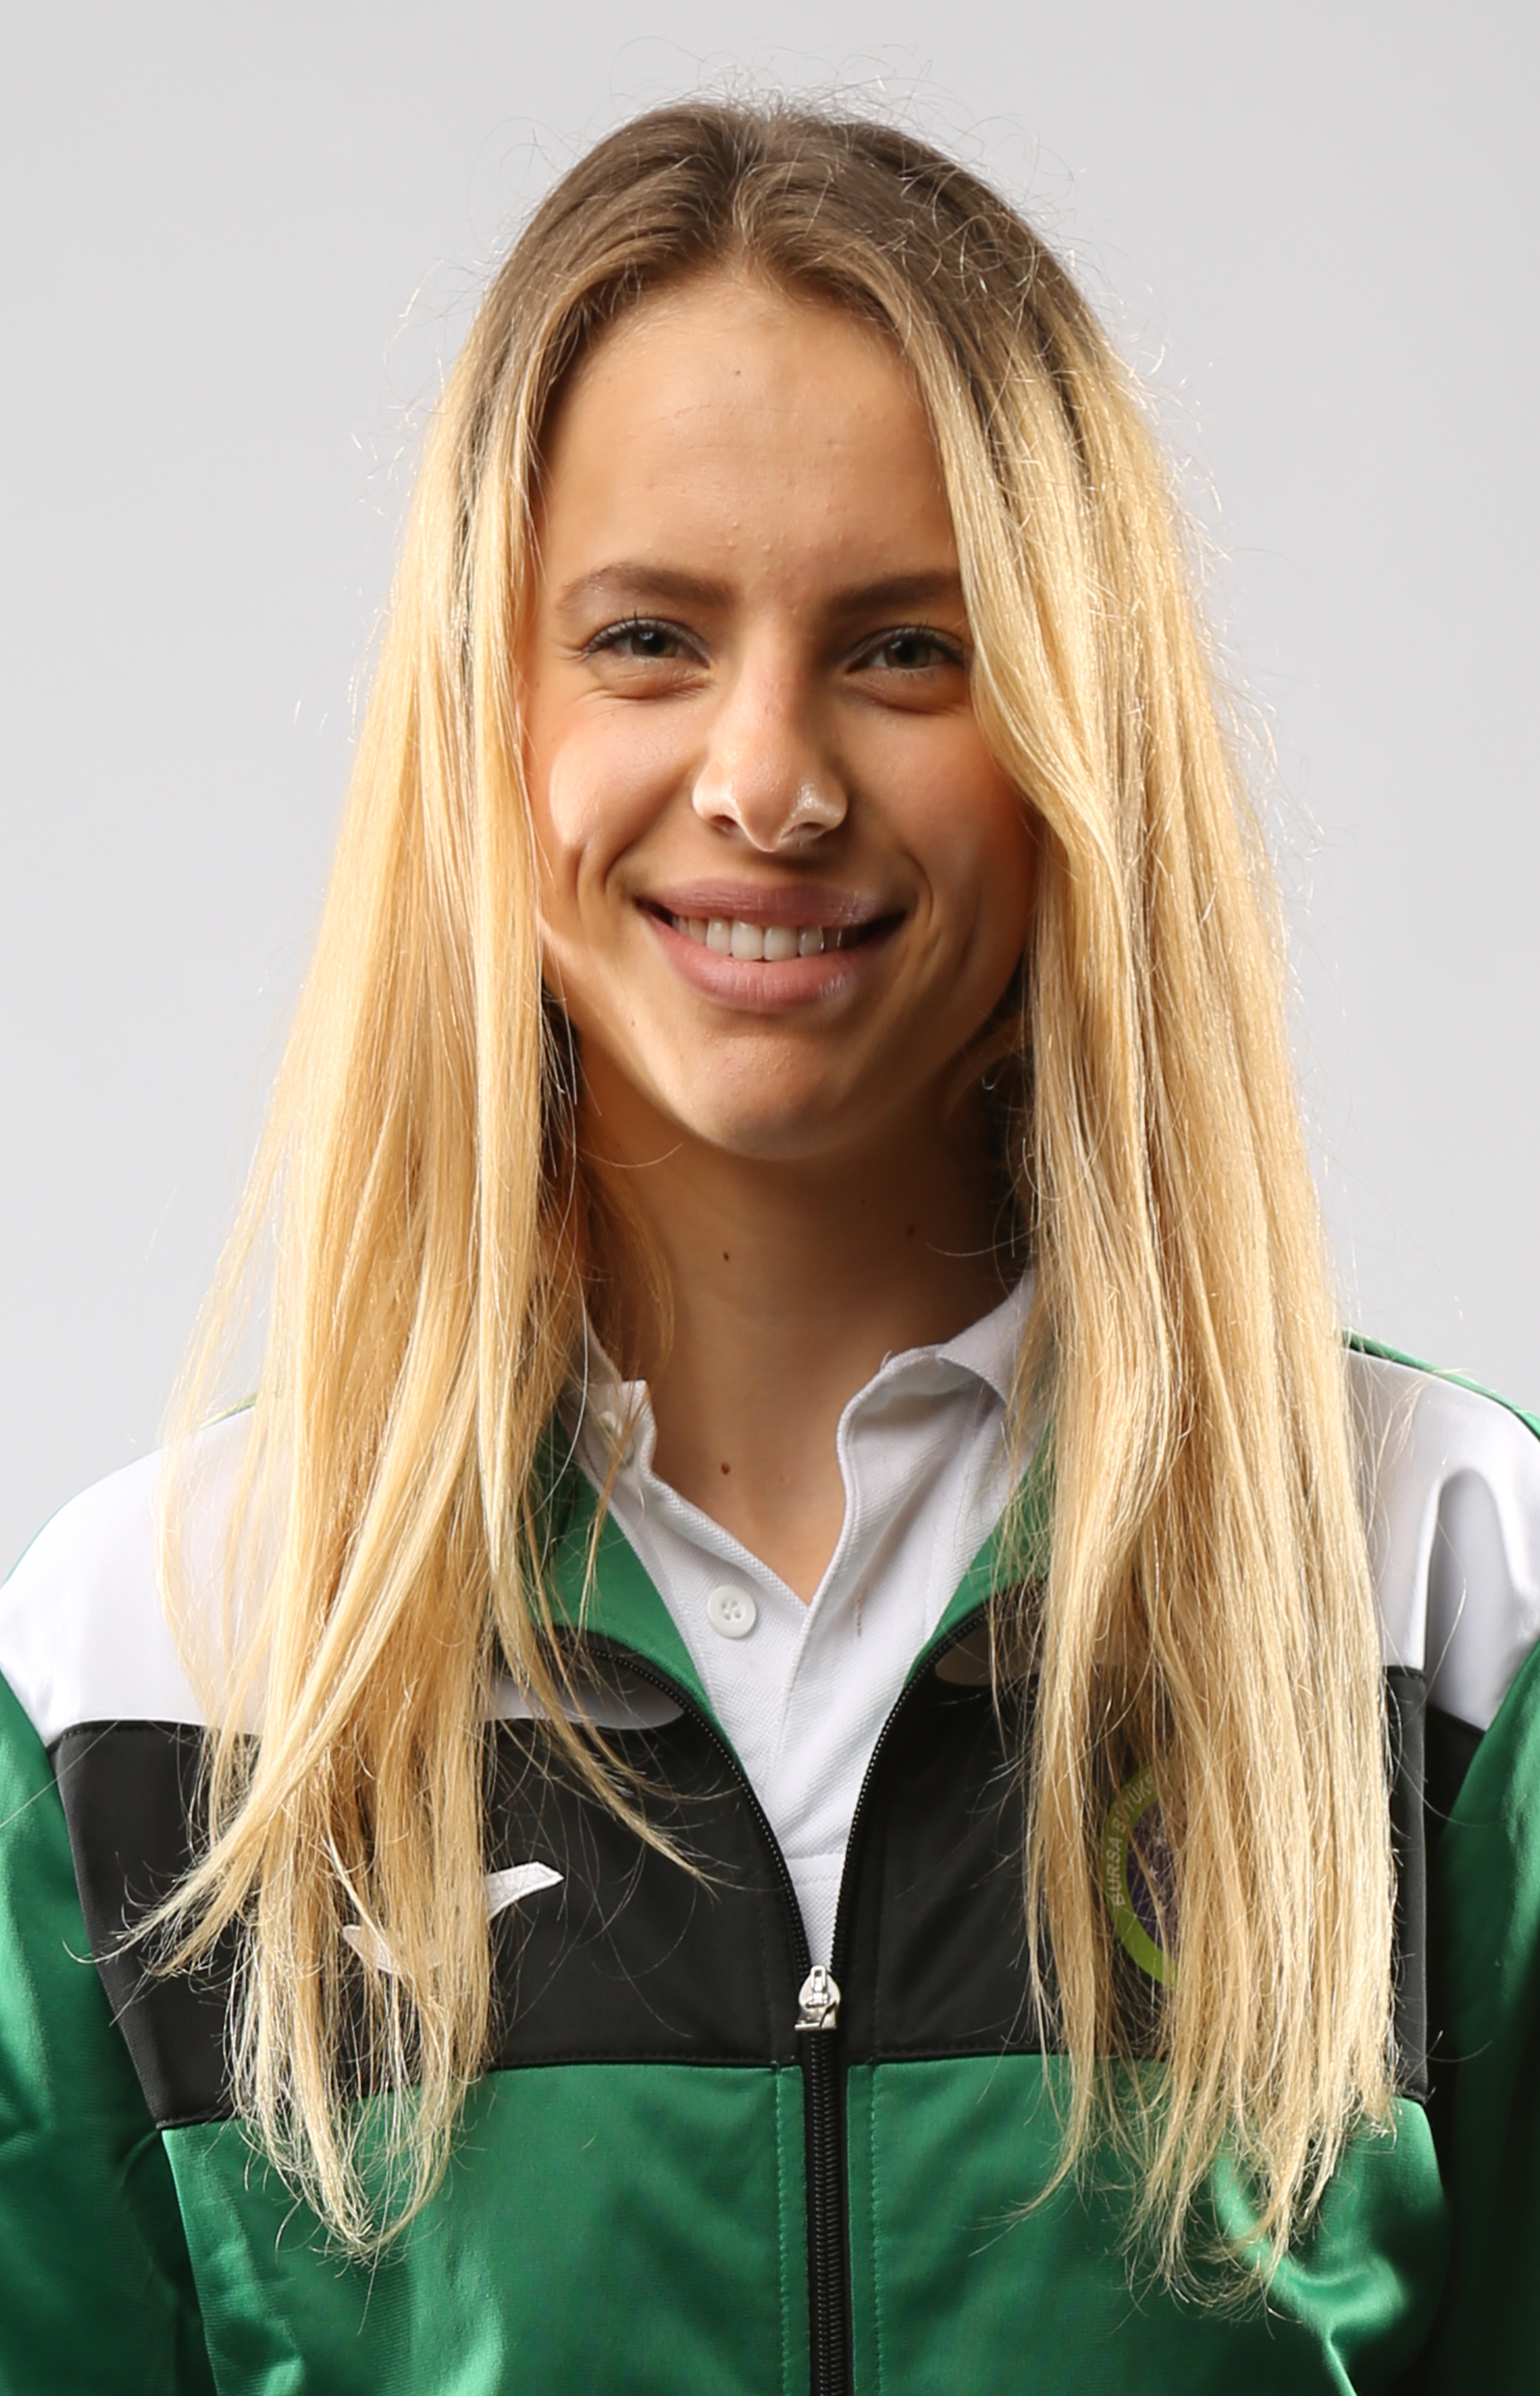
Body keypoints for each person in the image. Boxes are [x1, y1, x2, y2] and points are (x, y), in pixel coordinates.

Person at [1, 99, 1536, 2395]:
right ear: (487, 720)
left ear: (1073, 735)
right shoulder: (152, 1664)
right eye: (646, 639)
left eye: (906, 649)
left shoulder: (1442, 1592)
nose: (770, 780)